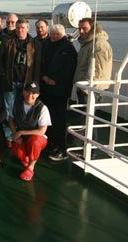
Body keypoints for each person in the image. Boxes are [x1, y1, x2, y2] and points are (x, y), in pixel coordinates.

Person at [0, 18, 42, 143]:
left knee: (22, 110)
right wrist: (3, 74)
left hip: (26, 83)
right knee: (8, 110)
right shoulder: (7, 40)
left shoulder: (34, 44)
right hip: (10, 81)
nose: (20, 30)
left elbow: (37, 65)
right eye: (18, 28)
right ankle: (9, 136)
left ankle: (22, 134)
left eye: (23, 28)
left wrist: (35, 83)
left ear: (28, 28)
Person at [72, 17, 113, 148]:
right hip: (83, 87)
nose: (81, 31)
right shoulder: (88, 43)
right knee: (86, 117)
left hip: (91, 90)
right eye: (80, 28)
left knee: (88, 118)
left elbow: (99, 73)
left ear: (93, 28)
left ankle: (90, 150)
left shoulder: (99, 45)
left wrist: (87, 89)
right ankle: (83, 147)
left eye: (84, 28)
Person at [41, 24, 78, 161]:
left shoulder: (68, 48)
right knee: (49, 117)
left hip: (60, 90)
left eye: (57, 34)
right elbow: (42, 63)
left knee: (60, 119)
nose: (54, 36)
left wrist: (55, 81)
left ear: (62, 34)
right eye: (53, 34)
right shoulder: (47, 45)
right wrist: (44, 77)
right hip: (47, 88)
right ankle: (52, 143)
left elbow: (69, 69)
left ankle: (62, 148)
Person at [9, 82, 52, 181]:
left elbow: (42, 131)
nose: (30, 95)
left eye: (33, 93)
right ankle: (26, 157)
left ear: (38, 95)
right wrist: (15, 133)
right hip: (21, 137)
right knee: (17, 151)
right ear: (23, 92)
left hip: (37, 138)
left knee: (34, 142)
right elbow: (11, 119)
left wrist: (21, 132)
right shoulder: (16, 103)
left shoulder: (42, 108)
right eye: (28, 92)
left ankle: (31, 167)